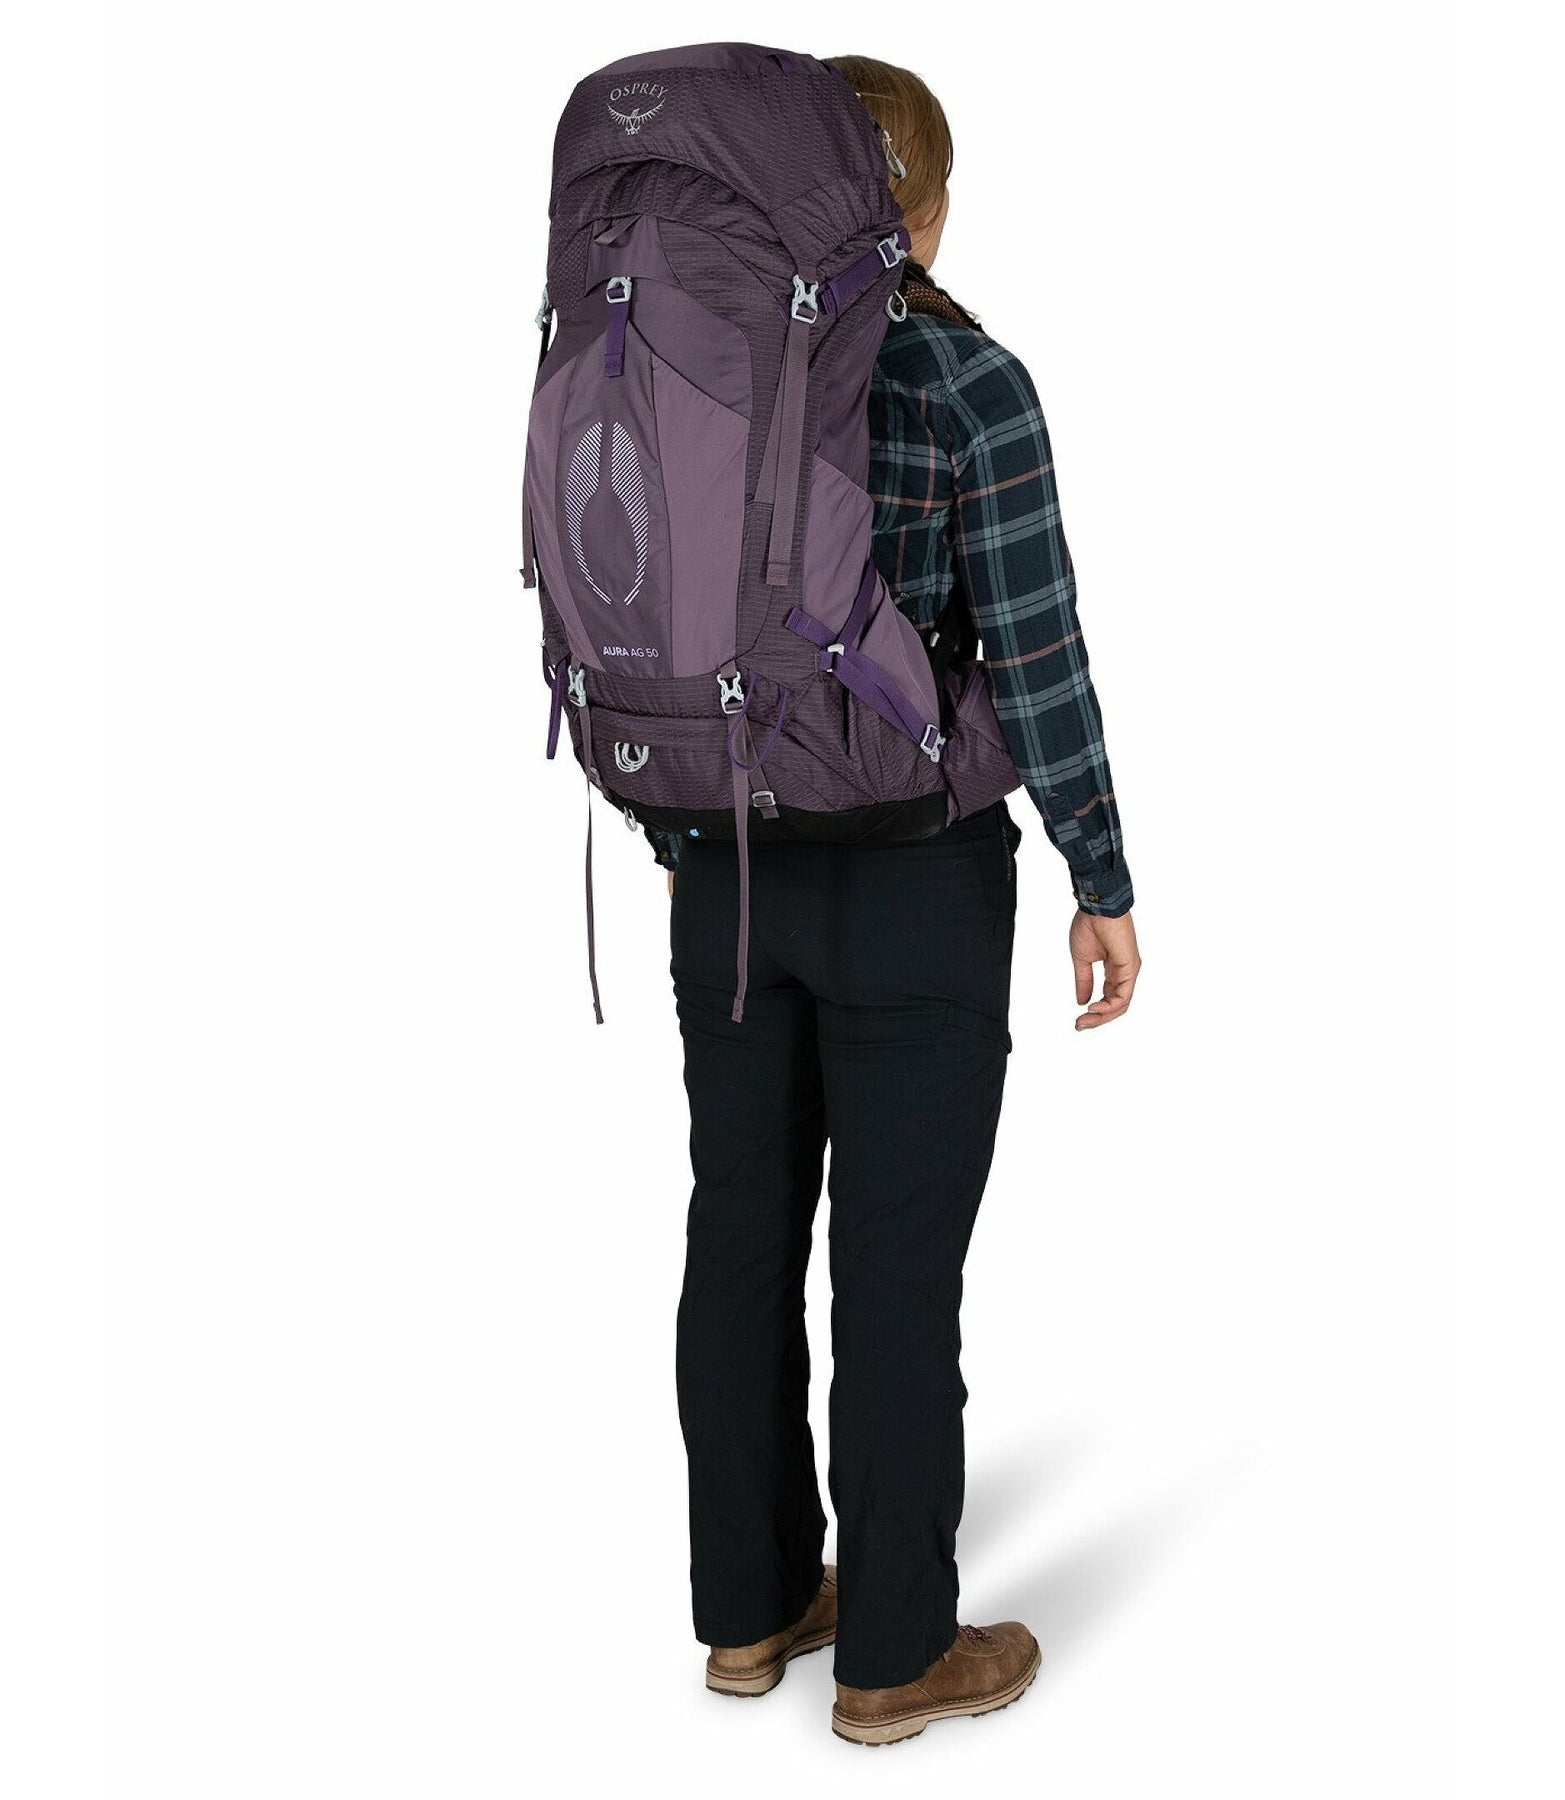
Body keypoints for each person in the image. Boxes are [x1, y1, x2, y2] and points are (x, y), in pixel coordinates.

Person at [647, 57, 1141, 1746]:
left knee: (737, 1236)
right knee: (895, 1270)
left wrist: (683, 828)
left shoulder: (687, 365)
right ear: (920, 212)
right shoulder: (964, 377)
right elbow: (1037, 651)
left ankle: (748, 1611)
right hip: (914, 879)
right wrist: (1098, 873)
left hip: (722, 866)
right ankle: (892, 1656)